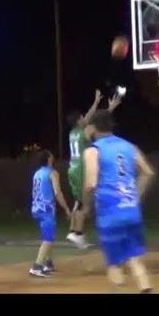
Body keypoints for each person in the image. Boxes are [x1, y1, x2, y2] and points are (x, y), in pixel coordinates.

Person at [82, 110, 155, 293]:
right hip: (131, 210)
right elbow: (148, 172)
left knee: (114, 264)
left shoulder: (93, 150)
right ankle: (146, 288)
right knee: (135, 258)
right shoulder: (130, 147)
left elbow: (91, 183)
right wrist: (135, 196)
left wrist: (86, 206)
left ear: (93, 128)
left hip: (109, 212)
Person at [66, 90, 122, 249]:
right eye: (83, 117)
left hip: (73, 169)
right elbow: (98, 123)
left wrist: (96, 102)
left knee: (79, 202)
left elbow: (90, 119)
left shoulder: (73, 133)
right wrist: (110, 108)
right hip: (82, 170)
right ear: (79, 121)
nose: (86, 118)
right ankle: (78, 233)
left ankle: (74, 231)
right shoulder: (84, 131)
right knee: (89, 204)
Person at [30, 149, 71, 277]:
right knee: (48, 239)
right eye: (51, 155)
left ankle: (48, 264)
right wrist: (66, 208)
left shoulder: (37, 173)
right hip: (46, 209)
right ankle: (37, 266)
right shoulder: (52, 173)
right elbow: (57, 192)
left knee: (46, 236)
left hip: (36, 207)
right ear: (48, 158)